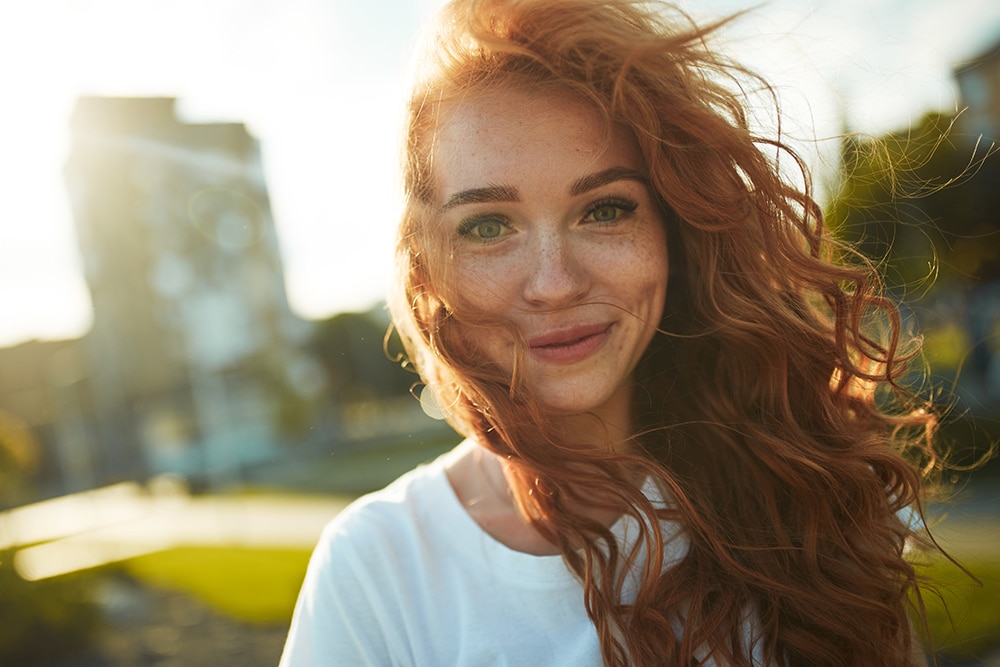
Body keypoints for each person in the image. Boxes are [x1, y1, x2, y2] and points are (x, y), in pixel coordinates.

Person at [280, 0, 945, 664]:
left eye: (604, 209)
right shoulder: (375, 573)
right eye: (487, 225)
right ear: (428, 269)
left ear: (673, 231)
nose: (554, 282)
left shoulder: (810, 491)